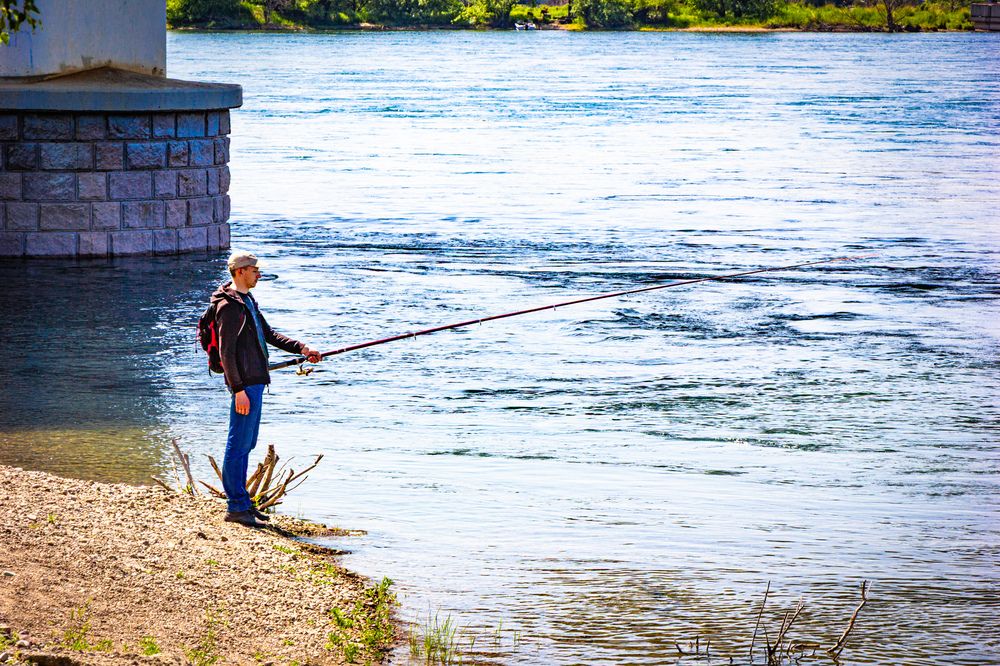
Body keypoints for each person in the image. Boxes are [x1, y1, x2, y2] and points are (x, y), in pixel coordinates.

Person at [211, 251, 321, 527]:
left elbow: (268, 334)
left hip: (254, 382)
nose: (258, 274)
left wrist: (302, 348)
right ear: (239, 272)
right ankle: (236, 507)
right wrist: (237, 389)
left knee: (247, 443)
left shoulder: (246, 301)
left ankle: (244, 503)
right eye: (254, 269)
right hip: (245, 385)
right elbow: (226, 352)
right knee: (237, 444)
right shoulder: (229, 306)